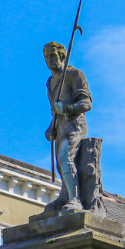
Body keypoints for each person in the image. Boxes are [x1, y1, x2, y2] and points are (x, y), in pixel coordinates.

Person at [44, 41, 92, 211]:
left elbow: (86, 104)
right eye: (46, 57)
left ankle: (75, 199)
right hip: (61, 126)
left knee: (66, 158)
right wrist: (51, 128)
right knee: (60, 163)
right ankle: (65, 195)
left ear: (62, 56)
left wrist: (67, 109)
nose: (49, 60)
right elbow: (55, 113)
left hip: (74, 124)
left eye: (53, 56)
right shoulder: (50, 83)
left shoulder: (74, 75)